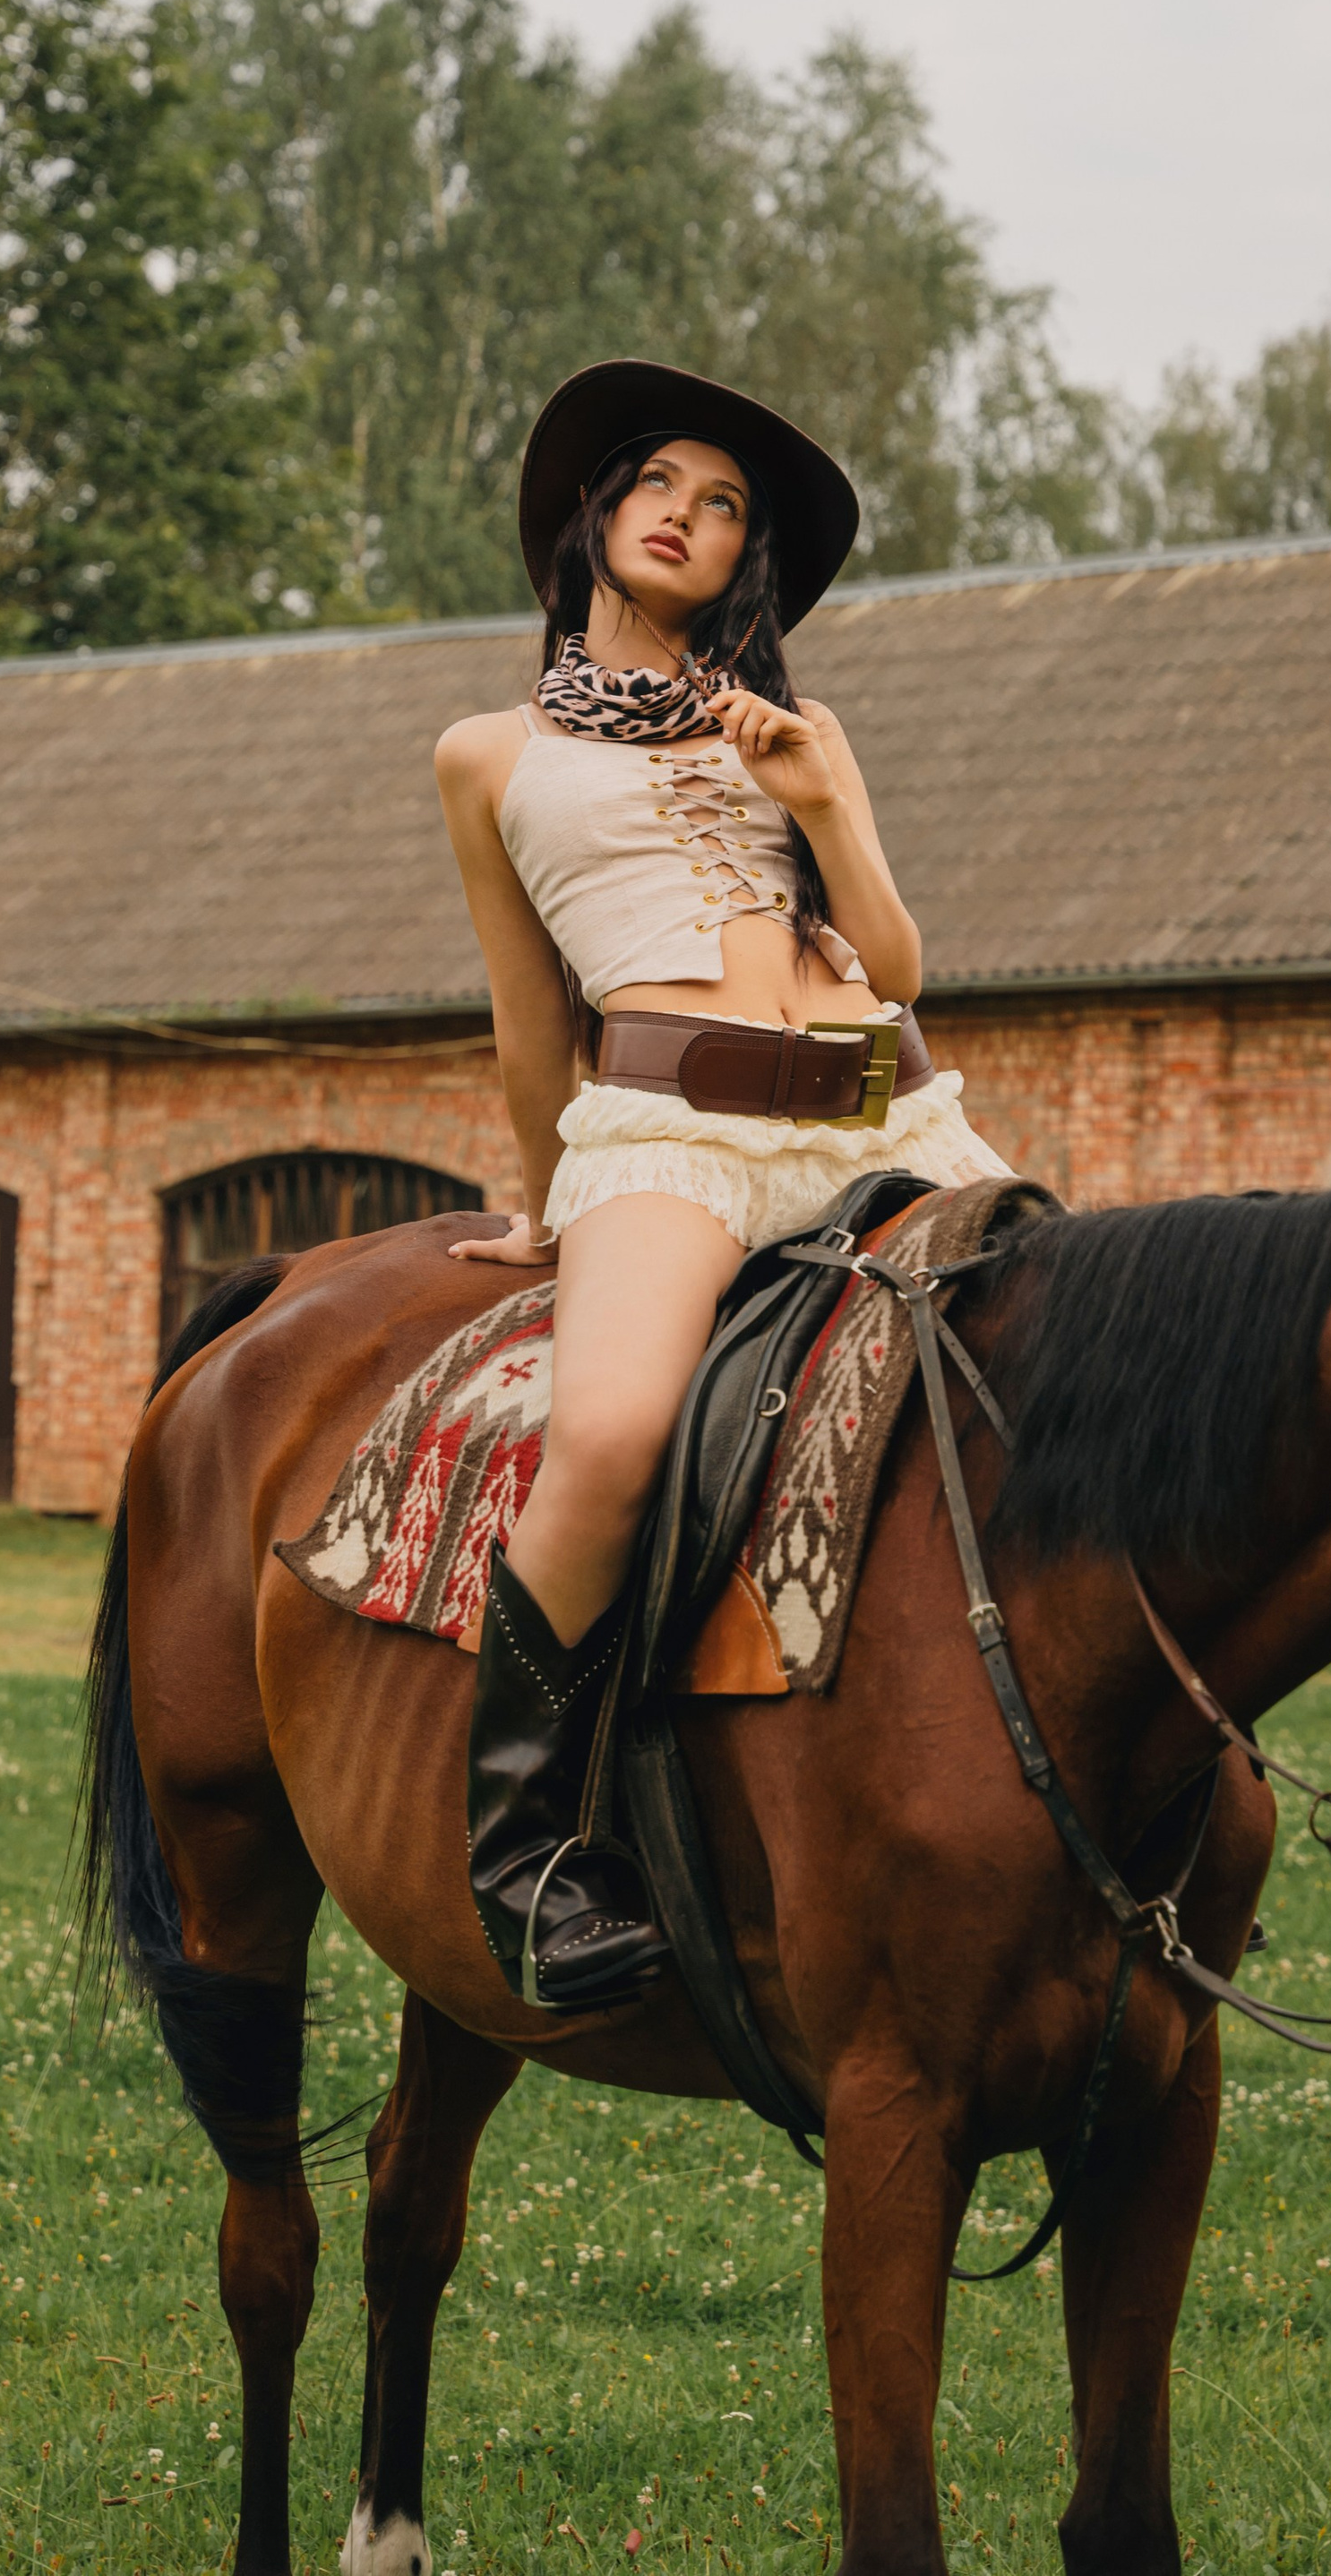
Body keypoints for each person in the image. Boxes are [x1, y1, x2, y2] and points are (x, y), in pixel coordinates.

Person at [434, 361, 1010, 2013]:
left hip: (890, 1116)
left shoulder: (793, 732)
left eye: (728, 502)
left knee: (1057, 1391)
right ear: (599, 517)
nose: (689, 513)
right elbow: (528, 1014)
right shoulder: (488, 756)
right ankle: (530, 1859)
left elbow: (895, 966)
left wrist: (826, 799)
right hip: (671, 1130)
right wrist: (545, 1203)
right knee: (610, 1433)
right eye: (661, 485)